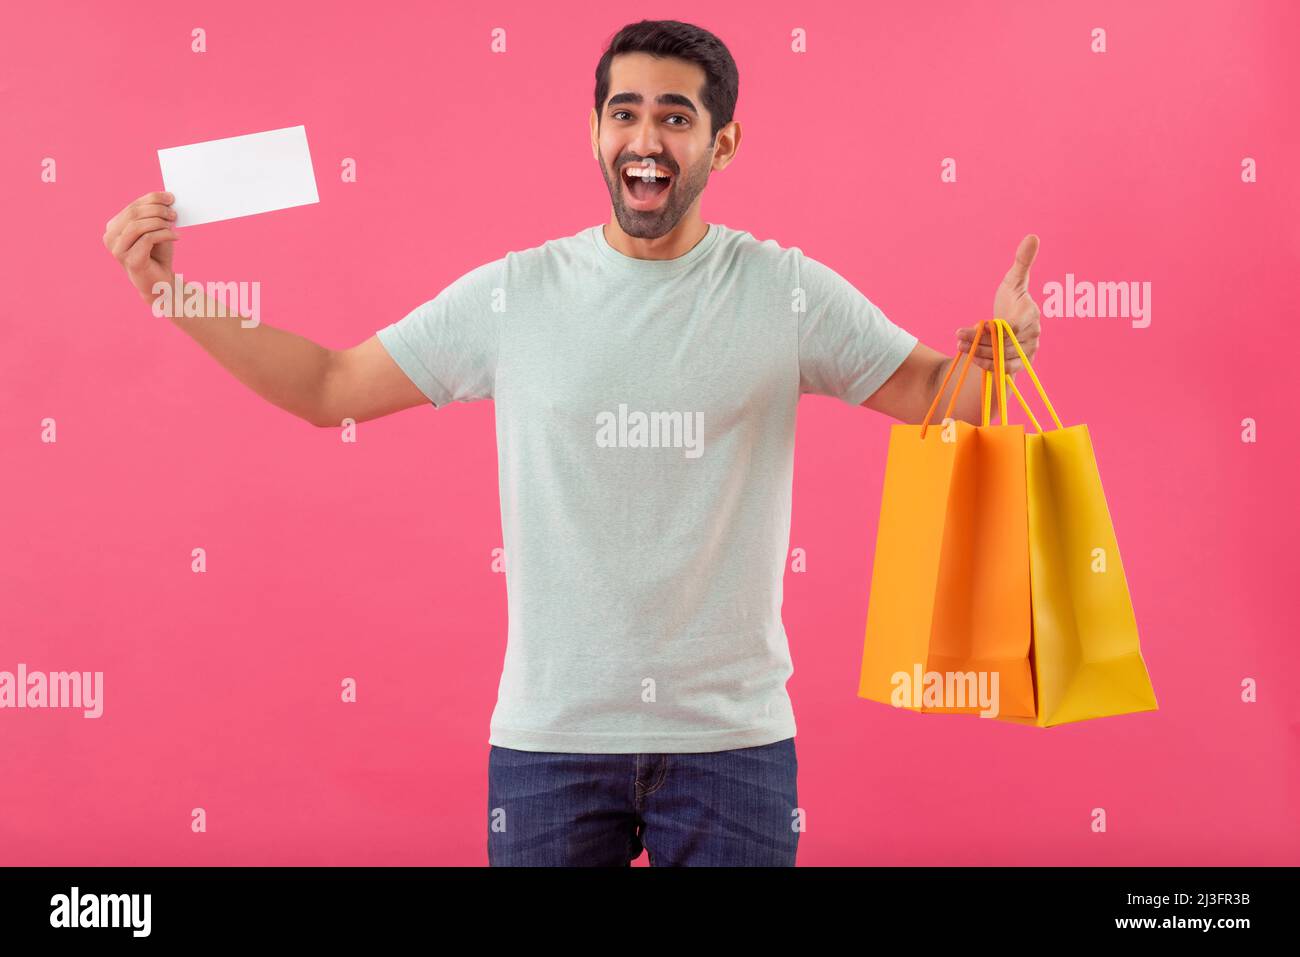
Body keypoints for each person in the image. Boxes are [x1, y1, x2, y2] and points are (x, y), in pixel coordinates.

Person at [102, 19, 1043, 866]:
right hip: (550, 743)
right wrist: (170, 293)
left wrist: (998, 348)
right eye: (623, 113)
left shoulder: (783, 290)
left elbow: (938, 395)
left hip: (734, 744)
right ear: (595, 132)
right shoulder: (516, 295)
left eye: (675, 118)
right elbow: (328, 386)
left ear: (723, 141)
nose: (644, 139)